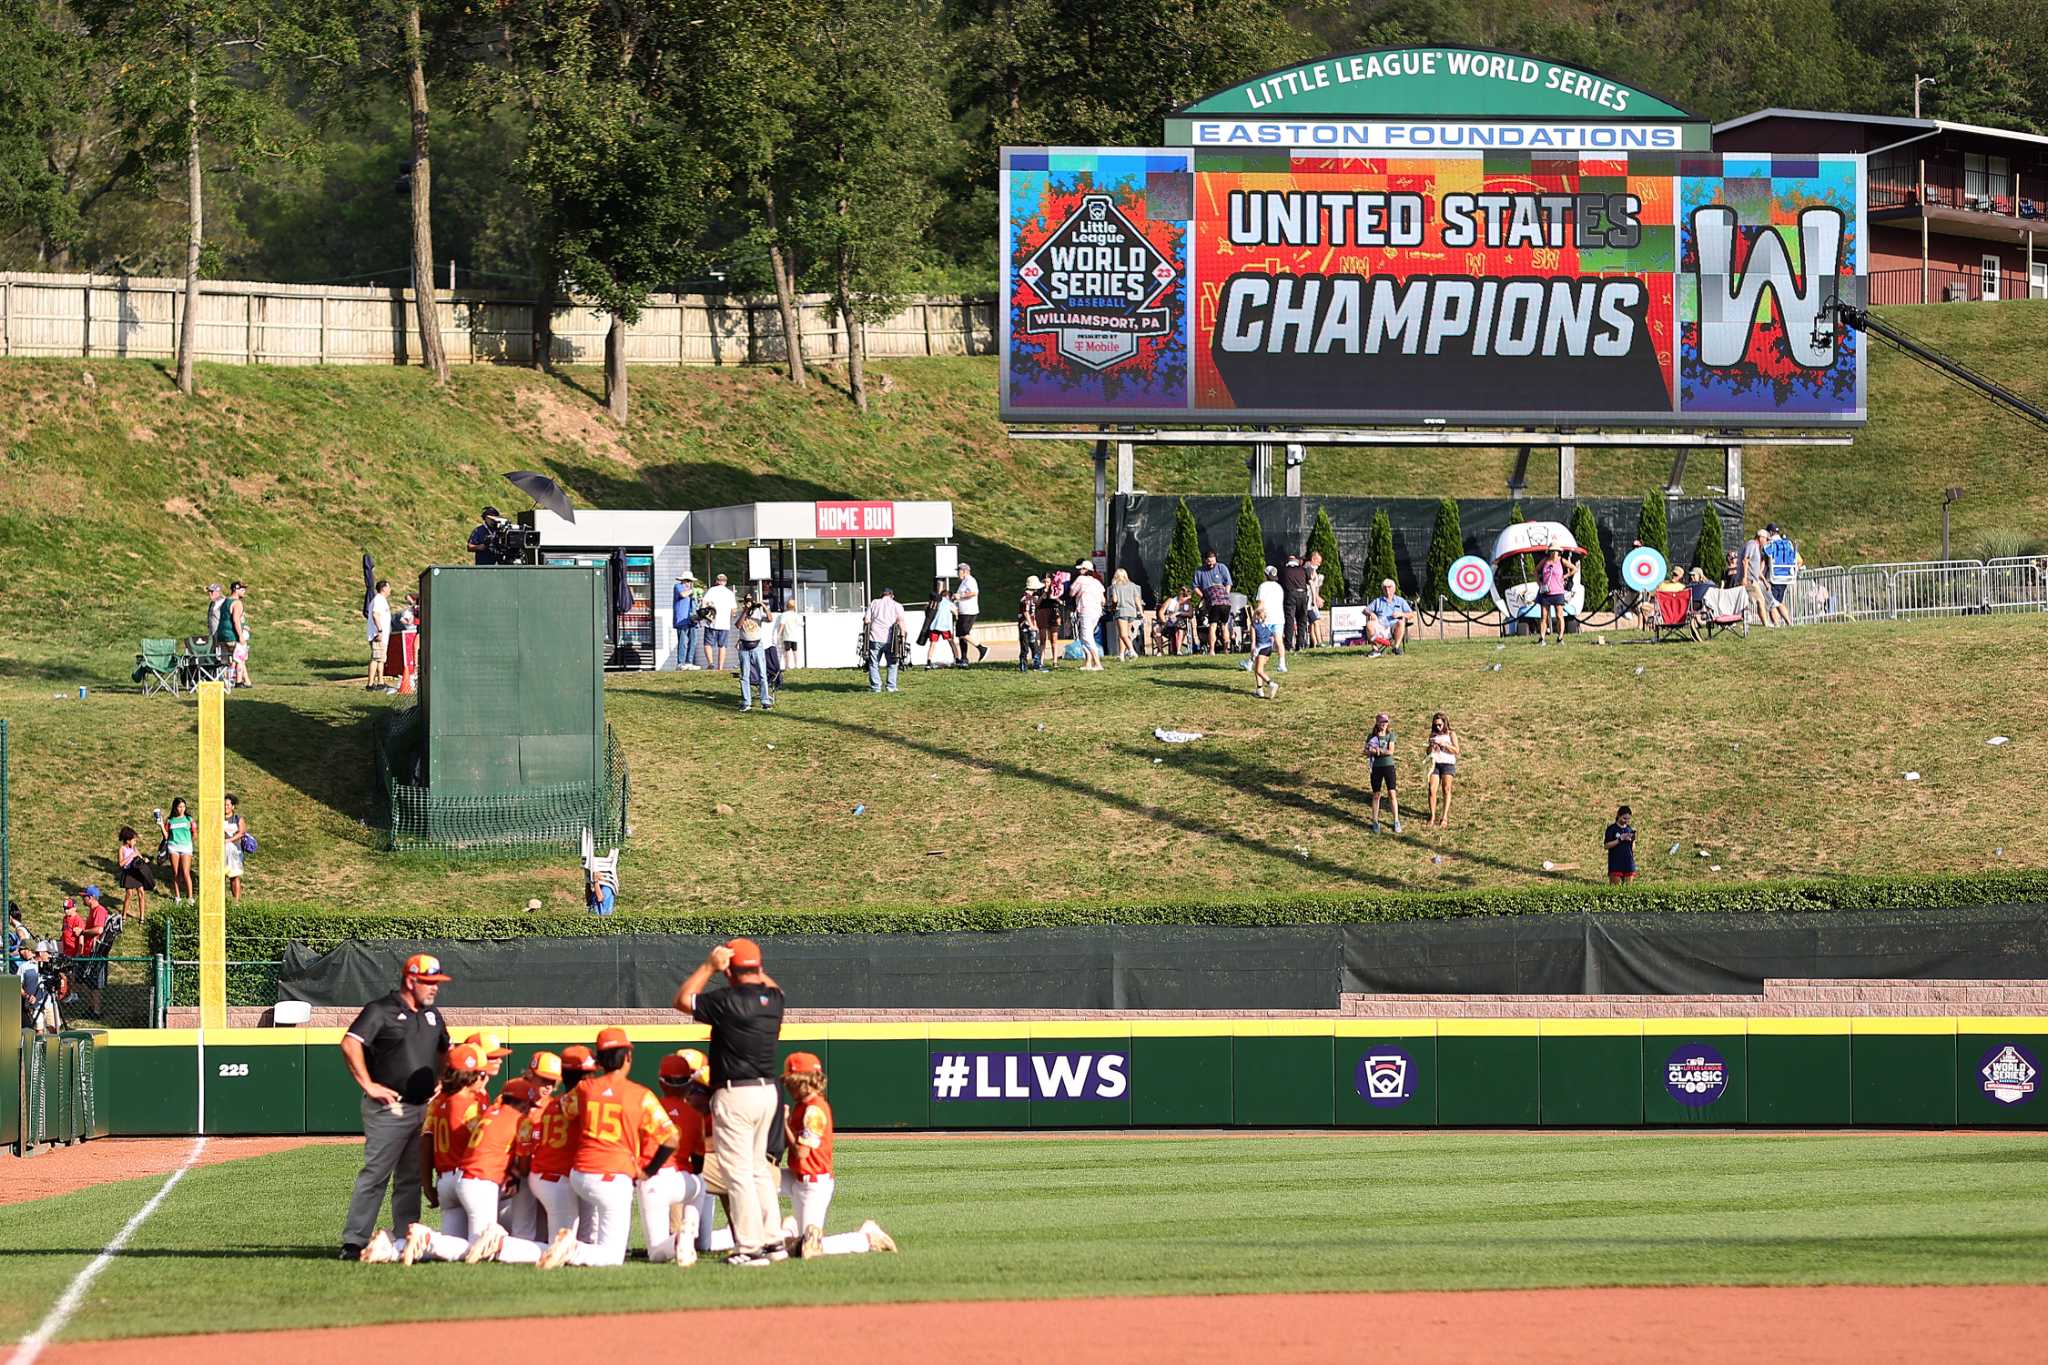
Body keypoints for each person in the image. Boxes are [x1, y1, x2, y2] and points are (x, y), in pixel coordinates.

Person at [674, 938, 787, 1267]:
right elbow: (771, 986)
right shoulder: (775, 1000)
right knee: (758, 1172)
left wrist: (709, 966)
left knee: (738, 1173)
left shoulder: (727, 1000)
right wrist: (754, 967)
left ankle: (750, 1247)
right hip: (768, 1092)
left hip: (736, 1092)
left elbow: (682, 1000)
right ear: (759, 968)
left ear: (729, 972)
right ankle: (774, 1240)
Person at [340, 953, 453, 1261]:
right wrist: (368, 1084)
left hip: (421, 1107)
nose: (434, 989)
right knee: (376, 1174)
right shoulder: (381, 1010)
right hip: (389, 1108)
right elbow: (350, 1043)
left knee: (410, 1178)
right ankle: (354, 1241)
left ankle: (406, 1238)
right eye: (429, 983)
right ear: (410, 980)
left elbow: (446, 1048)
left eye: (437, 983)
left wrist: (442, 1078)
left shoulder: (433, 1015)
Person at [540, 1026, 679, 1270]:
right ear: (628, 1057)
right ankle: (574, 1249)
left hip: (579, 1173)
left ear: (600, 1060)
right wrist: (650, 1170)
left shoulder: (585, 1089)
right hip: (612, 1176)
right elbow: (671, 1139)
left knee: (594, 1226)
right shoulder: (640, 1094)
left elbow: (565, 1109)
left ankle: (574, 1245)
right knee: (613, 1257)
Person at [777, 1052, 897, 1259]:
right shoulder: (801, 1107)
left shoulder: (814, 1111)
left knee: (810, 1250)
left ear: (804, 1081)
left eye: (791, 1082)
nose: (787, 1087)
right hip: (797, 1177)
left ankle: (866, 1238)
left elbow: (801, 1152)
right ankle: (788, 1232)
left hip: (813, 1184)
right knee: (760, 1179)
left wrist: (784, 1123)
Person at [645, 1049, 712, 1266]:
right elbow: (699, 1164)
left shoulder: (649, 1108)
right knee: (700, 1183)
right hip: (682, 1180)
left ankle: (677, 1241)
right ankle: (689, 1232)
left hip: (653, 1180)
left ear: (661, 1082)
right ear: (688, 1085)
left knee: (656, 1253)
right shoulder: (694, 1116)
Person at [735, 596, 773, 712]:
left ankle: (765, 701)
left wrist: (764, 607)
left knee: (762, 674)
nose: (749, 604)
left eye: (751, 602)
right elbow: (738, 625)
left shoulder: (758, 614)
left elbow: (770, 619)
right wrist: (745, 611)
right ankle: (746, 702)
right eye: (747, 602)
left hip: (757, 646)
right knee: (744, 675)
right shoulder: (741, 613)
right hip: (744, 646)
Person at [864, 587, 905, 693]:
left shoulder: (874, 603)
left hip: (875, 637)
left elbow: (867, 620)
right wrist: (903, 636)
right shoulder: (897, 605)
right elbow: (900, 621)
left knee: (873, 663)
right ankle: (891, 686)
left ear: (882, 594)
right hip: (891, 639)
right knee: (892, 663)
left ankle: (876, 687)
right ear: (892, 595)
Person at [1365, 712, 1400, 835]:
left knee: (1392, 793)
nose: (1384, 724)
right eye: (1382, 722)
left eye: (1386, 722)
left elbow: (1391, 751)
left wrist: (1377, 751)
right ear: (1377, 723)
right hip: (1376, 768)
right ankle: (1375, 820)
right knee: (1376, 794)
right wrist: (1371, 751)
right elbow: (1366, 751)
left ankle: (1396, 820)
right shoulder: (1371, 736)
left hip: (1388, 766)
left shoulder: (1390, 735)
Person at [1192, 551, 1232, 654]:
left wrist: (1225, 594)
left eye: (1212, 561)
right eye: (1208, 561)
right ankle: (1224, 650)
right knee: (1224, 625)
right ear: (1205, 560)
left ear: (1215, 559)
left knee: (1213, 625)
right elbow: (1195, 587)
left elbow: (1228, 583)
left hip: (1219, 602)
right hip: (1216, 602)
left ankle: (1213, 650)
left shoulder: (1221, 567)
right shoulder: (1199, 571)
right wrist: (1204, 597)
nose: (1211, 564)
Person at [1426, 712, 1460, 829]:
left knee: (1446, 789)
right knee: (1432, 790)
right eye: (1436, 725)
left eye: (1440, 725)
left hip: (1447, 763)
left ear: (1445, 723)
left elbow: (1456, 750)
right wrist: (1431, 746)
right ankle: (1432, 816)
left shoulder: (1451, 734)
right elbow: (1427, 751)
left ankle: (1444, 817)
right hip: (1435, 763)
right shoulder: (1433, 734)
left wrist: (1444, 745)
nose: (1438, 727)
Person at [1764, 522, 1802, 626]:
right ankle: (1789, 623)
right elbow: (1798, 560)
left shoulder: (1770, 544)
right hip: (1786, 576)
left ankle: (1776, 624)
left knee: (1770, 603)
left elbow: (1766, 556)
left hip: (1774, 577)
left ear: (1770, 533)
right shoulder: (1787, 544)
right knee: (1778, 601)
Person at [1070, 562, 1105, 670]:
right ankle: (1088, 663)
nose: (1079, 570)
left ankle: (1097, 663)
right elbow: (1103, 600)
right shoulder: (1097, 582)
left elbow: (1072, 592)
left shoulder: (1080, 579)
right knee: (1084, 636)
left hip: (1086, 610)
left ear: (1085, 570)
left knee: (1086, 637)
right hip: (1096, 611)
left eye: (1081, 569)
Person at [216, 580, 251, 687]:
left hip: (222, 635)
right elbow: (236, 620)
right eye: (242, 589)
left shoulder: (225, 602)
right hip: (232, 635)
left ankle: (241, 681)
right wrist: (240, 636)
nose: (244, 592)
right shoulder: (237, 603)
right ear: (236, 589)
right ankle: (238, 682)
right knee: (240, 658)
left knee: (228, 660)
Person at [1253, 566, 1287, 674]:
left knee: (1260, 642)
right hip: (1279, 617)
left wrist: (1255, 616)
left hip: (1266, 618)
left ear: (1265, 575)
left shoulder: (1263, 586)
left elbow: (1260, 604)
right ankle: (1282, 664)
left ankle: (1251, 662)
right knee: (1279, 641)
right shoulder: (1279, 587)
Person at [1367, 579, 1415, 656]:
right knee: (1369, 624)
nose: (1387, 589)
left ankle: (1396, 648)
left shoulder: (1400, 601)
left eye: (1389, 587)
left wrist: (1401, 614)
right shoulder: (1378, 601)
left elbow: (1411, 614)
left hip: (1394, 628)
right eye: (1385, 587)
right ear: (1382, 589)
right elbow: (1365, 610)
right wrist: (1371, 614)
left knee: (1401, 622)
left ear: (1394, 588)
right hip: (1380, 627)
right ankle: (1375, 650)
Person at [700, 574, 737, 671]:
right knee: (722, 646)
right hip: (724, 624)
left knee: (708, 644)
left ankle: (711, 663)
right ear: (725, 582)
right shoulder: (730, 593)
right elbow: (734, 610)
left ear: (717, 581)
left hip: (711, 622)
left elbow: (704, 604)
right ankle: (720, 668)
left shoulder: (711, 590)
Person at [115, 825, 153, 919]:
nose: (135, 842)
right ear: (128, 840)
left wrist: (144, 859)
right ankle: (124, 915)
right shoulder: (122, 849)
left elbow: (140, 858)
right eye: (134, 840)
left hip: (136, 872)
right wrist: (130, 856)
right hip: (128, 873)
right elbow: (120, 864)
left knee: (141, 893)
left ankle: (142, 917)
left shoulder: (134, 848)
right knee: (129, 894)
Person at [1279, 552, 1311, 653]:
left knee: (1289, 620)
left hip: (1290, 595)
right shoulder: (1303, 570)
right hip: (1302, 595)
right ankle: (1300, 644)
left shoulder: (1283, 570)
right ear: (1297, 561)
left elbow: (1280, 583)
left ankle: (1289, 645)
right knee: (1302, 620)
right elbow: (1310, 581)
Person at [953, 562, 984, 666]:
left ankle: (981, 648)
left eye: (959, 571)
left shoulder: (970, 580)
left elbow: (974, 592)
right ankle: (964, 658)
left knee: (963, 633)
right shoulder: (964, 582)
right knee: (960, 635)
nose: (958, 573)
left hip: (969, 612)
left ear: (965, 571)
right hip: (962, 612)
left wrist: (960, 596)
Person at [920, 579, 956, 669]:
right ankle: (957, 658)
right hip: (944, 626)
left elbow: (926, 607)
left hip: (934, 626)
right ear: (949, 596)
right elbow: (955, 611)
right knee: (951, 642)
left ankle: (928, 661)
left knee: (933, 644)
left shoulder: (935, 602)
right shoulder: (949, 603)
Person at [1109, 568, 1143, 662]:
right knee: (1125, 634)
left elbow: (1115, 600)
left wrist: (1112, 607)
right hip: (1132, 612)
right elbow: (1137, 600)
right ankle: (1121, 655)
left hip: (1121, 611)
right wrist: (1141, 611)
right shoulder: (1133, 586)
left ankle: (1132, 651)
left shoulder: (1115, 586)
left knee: (1123, 634)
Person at [1536, 550, 1568, 644]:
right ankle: (1542, 638)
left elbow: (1574, 568)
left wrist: (1565, 576)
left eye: (1556, 551)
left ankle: (1560, 637)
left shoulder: (1561, 561)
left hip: (1558, 592)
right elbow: (1536, 571)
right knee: (1544, 616)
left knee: (1559, 615)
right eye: (1552, 551)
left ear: (1559, 552)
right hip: (1546, 593)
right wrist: (1540, 583)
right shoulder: (1545, 561)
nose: (1554, 553)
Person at [672, 573, 703, 670]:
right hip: (681, 619)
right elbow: (683, 594)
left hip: (692, 618)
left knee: (693, 641)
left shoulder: (691, 592)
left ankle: (689, 662)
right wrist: (692, 591)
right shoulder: (678, 587)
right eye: (688, 581)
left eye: (690, 582)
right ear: (683, 580)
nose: (689, 583)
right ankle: (680, 663)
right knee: (683, 642)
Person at [1249, 602, 1279, 700]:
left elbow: (1253, 641)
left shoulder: (1254, 625)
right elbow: (1272, 637)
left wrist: (1252, 652)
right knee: (1258, 669)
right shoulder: (1266, 625)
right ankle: (1259, 690)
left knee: (1259, 670)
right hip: (1268, 648)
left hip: (1260, 648)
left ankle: (1271, 684)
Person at [1743, 527, 1772, 626]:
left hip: (1752, 579)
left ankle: (1764, 623)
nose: (1767, 542)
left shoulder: (1757, 548)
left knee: (1751, 601)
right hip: (1749, 580)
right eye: (1766, 539)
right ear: (1760, 538)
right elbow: (1745, 560)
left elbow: (1756, 570)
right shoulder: (1752, 545)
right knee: (1760, 600)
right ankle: (1765, 624)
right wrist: (1744, 577)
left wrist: (1764, 581)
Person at [222, 794, 248, 902]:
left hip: (234, 852)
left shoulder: (238, 819)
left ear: (232, 806)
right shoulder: (218, 818)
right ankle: (221, 901)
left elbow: (242, 832)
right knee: (220, 877)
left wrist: (229, 840)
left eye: (228, 805)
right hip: (221, 851)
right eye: (224, 805)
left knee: (234, 877)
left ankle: (236, 901)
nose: (225, 807)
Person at [1017, 576, 1046, 673]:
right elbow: (1026, 612)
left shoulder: (1032, 598)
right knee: (1025, 647)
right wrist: (1031, 624)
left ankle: (1036, 665)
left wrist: (1035, 624)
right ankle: (1023, 666)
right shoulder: (1026, 598)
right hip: (1025, 626)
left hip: (1031, 625)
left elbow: (1033, 612)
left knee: (1035, 646)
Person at [1604, 805, 1638, 884]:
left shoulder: (1629, 829)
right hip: (1615, 864)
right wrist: (1620, 839)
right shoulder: (1611, 829)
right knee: (1615, 890)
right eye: (1624, 818)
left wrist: (1632, 840)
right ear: (1618, 816)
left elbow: (1633, 849)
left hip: (1628, 863)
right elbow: (1606, 845)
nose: (1626, 821)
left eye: (1628, 819)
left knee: (1628, 890)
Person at [1305, 550, 1328, 648]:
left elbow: (1315, 588)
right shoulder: (1308, 568)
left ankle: (1314, 643)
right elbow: (1311, 586)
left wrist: (1317, 597)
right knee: (1316, 621)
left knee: (1313, 623)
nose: (1319, 564)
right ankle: (1318, 642)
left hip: (1311, 600)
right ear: (1313, 559)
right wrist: (1315, 599)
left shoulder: (1312, 569)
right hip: (1308, 602)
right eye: (1318, 561)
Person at [1155, 588, 1188, 656]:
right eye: (1181, 593)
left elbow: (1189, 614)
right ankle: (1160, 651)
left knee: (1180, 628)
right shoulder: (1171, 600)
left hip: (1179, 624)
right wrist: (1164, 622)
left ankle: (1178, 651)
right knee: (1156, 629)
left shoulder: (1186, 603)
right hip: (1167, 622)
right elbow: (1161, 612)